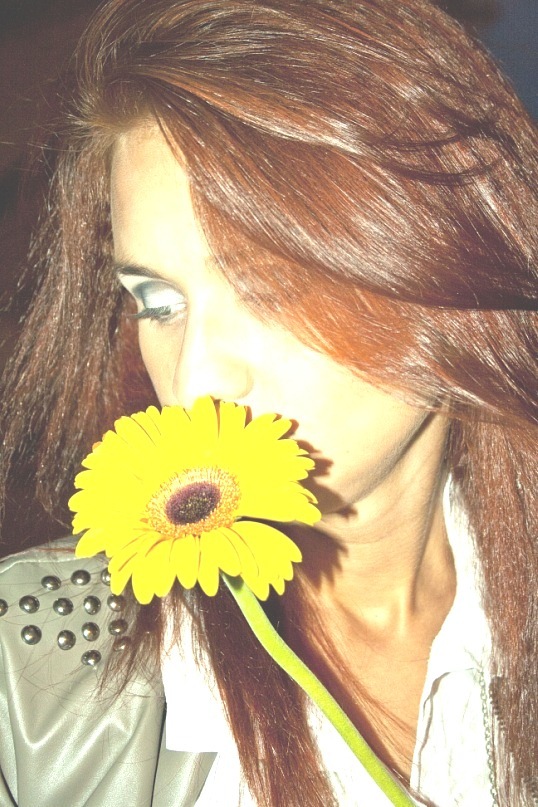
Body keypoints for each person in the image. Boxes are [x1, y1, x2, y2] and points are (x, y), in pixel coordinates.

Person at [0, 0, 536, 804]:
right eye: (157, 301)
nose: (196, 384)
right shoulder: (29, 673)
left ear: (448, 253)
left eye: (272, 287)